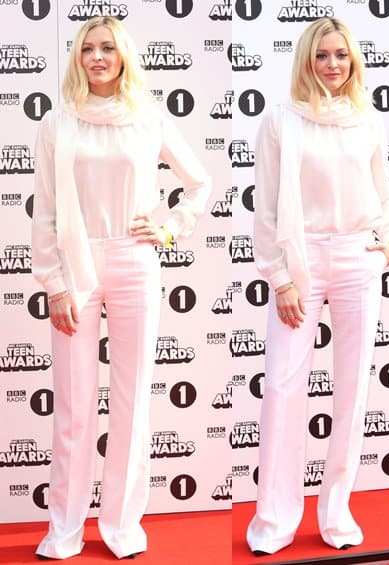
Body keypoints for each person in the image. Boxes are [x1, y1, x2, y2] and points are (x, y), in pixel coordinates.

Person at [31, 16, 211, 560]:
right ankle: (63, 530)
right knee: (75, 405)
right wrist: (54, 283)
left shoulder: (147, 118)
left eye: (108, 47)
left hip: (135, 261)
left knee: (133, 401)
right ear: (77, 57)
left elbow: (198, 182)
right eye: (88, 48)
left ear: (124, 55)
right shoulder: (58, 123)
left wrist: (167, 227)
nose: (98, 57)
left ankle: (122, 528)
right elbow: (45, 208)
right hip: (77, 263)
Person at [246, 17, 389, 556]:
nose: (332, 65)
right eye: (322, 56)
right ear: (306, 61)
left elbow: (384, 195)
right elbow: (265, 208)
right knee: (284, 390)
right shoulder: (280, 121)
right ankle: (274, 520)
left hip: (358, 257)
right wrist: (280, 275)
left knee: (353, 390)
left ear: (353, 61)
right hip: (302, 259)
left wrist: (388, 240)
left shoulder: (367, 121)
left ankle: (336, 513)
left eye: (341, 55)